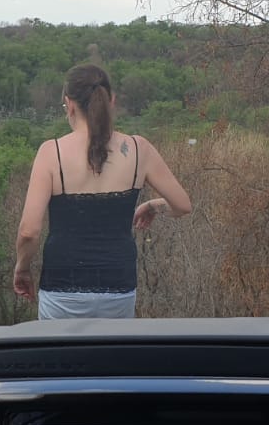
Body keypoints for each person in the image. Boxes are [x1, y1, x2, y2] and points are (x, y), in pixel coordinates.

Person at [12, 63, 192, 319]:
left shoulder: (52, 153)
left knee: (58, 348)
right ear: (112, 101)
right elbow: (182, 205)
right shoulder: (139, 149)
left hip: (62, 288)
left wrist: (22, 268)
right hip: (119, 288)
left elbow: (29, 231)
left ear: (69, 104)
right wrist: (153, 205)